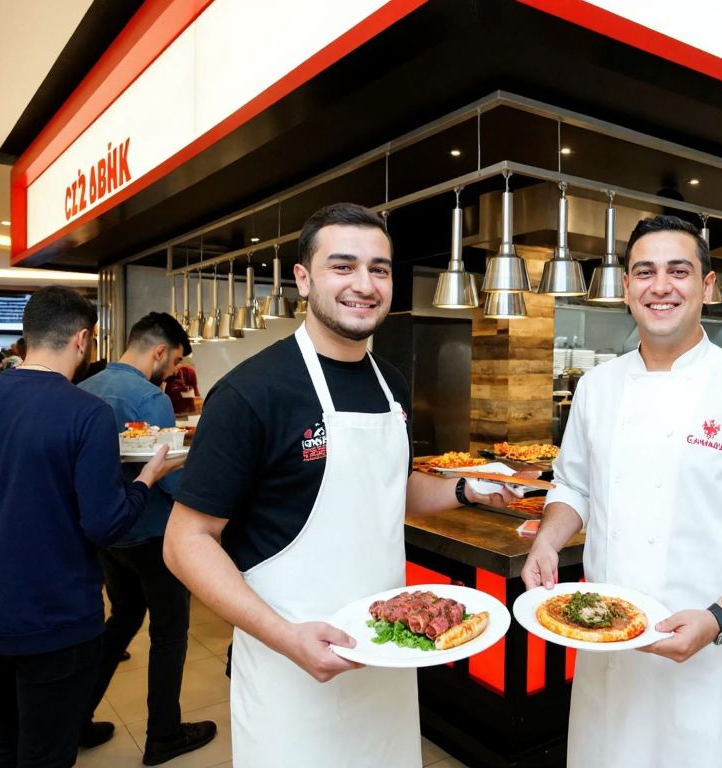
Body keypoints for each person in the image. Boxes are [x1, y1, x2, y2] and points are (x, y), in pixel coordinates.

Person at [162, 203, 515, 766]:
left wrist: (464, 490)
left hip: (387, 658)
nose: (364, 284)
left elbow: (383, 492)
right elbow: (185, 541)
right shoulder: (252, 392)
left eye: (379, 269)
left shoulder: (391, 385)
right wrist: (284, 636)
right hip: (290, 665)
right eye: (343, 266)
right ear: (303, 278)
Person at [521, 216, 722, 768]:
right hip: (606, 645)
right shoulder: (596, 388)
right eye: (645, 272)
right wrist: (546, 540)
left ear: (706, 286)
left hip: (709, 656)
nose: (661, 286)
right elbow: (573, 484)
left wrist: (719, 618)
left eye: (678, 271)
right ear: (627, 288)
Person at [0, 287, 179, 768]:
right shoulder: (85, 414)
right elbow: (106, 523)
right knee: (46, 751)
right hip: (57, 615)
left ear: (26, 337)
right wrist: (147, 479)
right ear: (83, 340)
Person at [78, 312, 217, 764]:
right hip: (152, 534)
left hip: (107, 534)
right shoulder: (148, 398)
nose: (174, 371)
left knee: (121, 619)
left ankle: (75, 718)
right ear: (159, 351)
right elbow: (170, 480)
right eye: (175, 360)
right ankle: (164, 734)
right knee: (171, 631)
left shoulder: (83, 389)